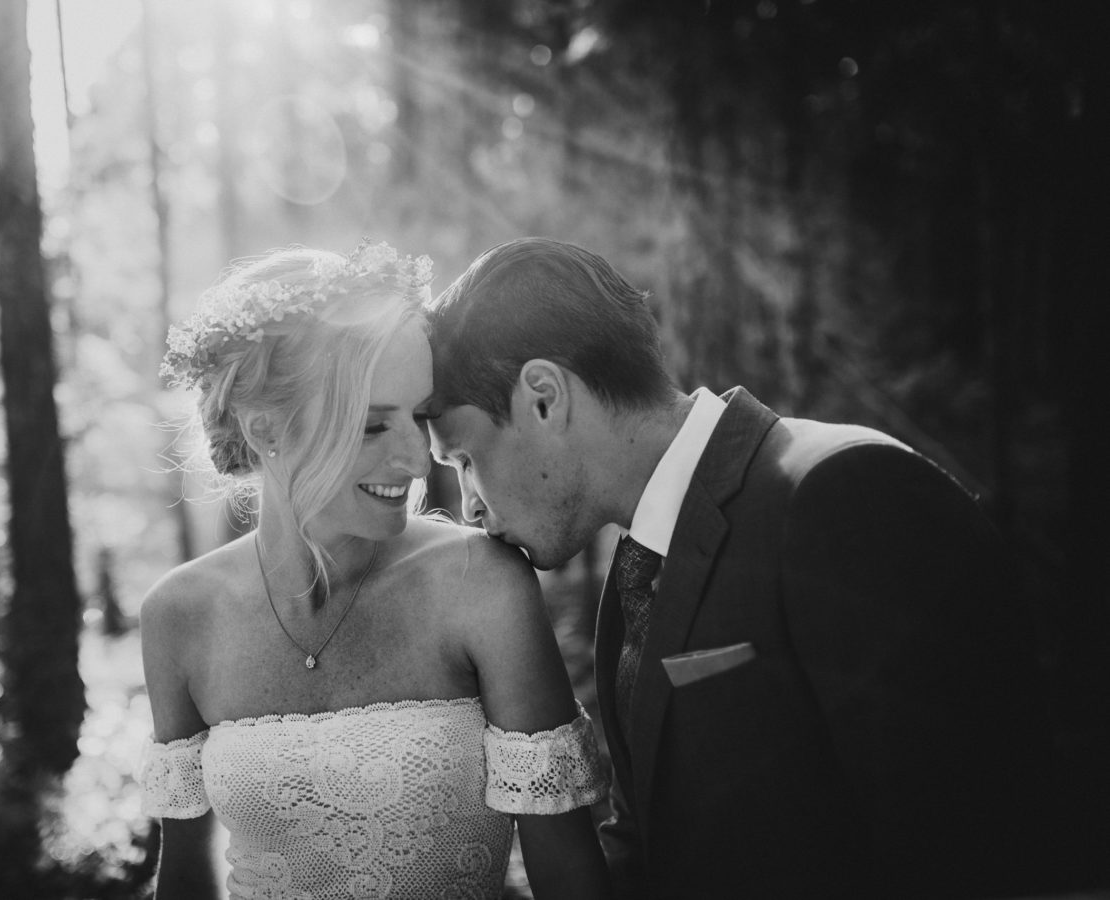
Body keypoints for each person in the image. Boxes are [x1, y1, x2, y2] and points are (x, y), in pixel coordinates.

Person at [424, 237, 1063, 898]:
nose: (469, 506)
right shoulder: (632, 583)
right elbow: (660, 849)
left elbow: (968, 847)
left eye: (466, 460)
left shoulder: (845, 494)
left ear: (544, 397)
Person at [137, 240, 612, 900]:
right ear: (266, 429)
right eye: (371, 426)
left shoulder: (482, 585)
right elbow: (184, 878)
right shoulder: (179, 616)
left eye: (419, 418)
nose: (419, 462)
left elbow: (571, 878)